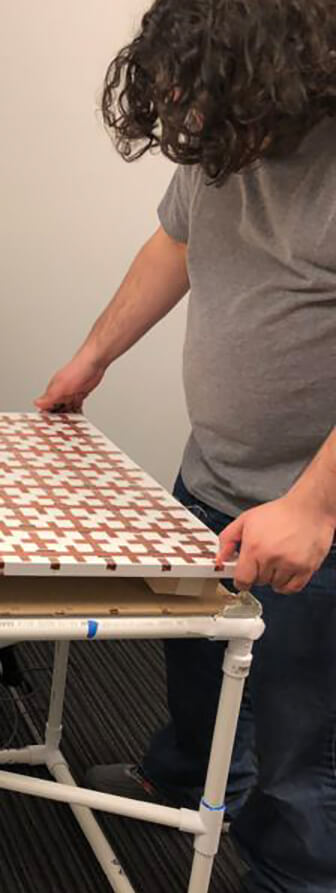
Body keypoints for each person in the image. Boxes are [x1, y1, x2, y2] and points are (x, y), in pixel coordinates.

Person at [36, 1, 336, 889]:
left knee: (306, 744)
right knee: (200, 660)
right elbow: (175, 245)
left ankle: (291, 875)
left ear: (277, 78)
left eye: (204, 101)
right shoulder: (223, 140)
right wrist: (90, 359)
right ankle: (190, 776)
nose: (187, 120)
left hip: (313, 515)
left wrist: (314, 505)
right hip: (213, 477)